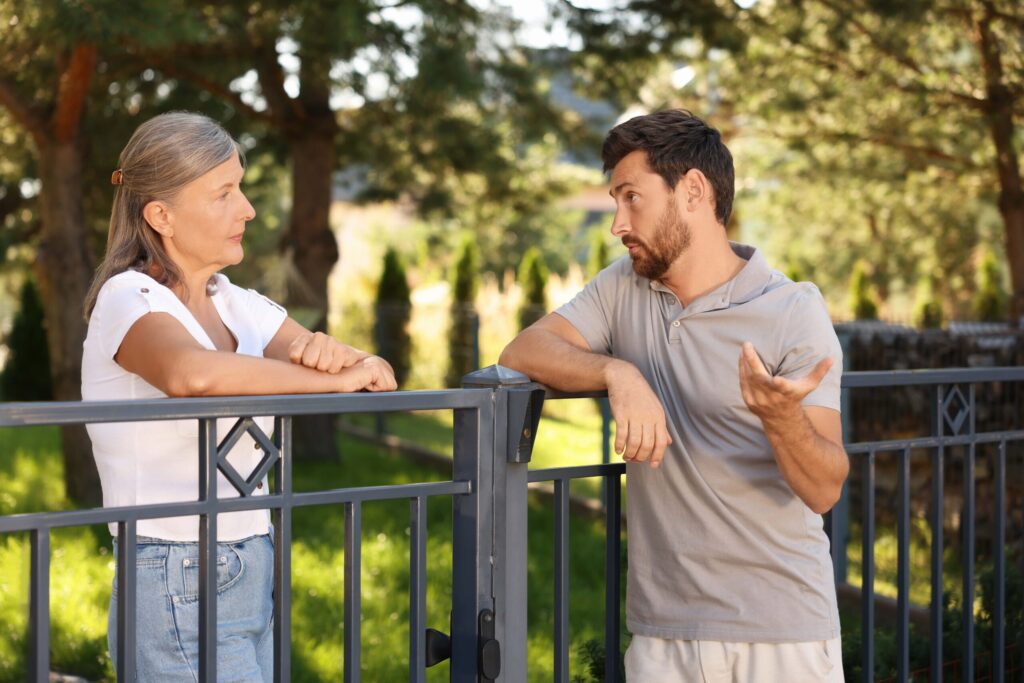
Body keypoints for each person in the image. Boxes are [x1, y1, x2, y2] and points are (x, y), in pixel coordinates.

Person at [499, 109, 849, 682]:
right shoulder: (623, 288)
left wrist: (781, 419)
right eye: (616, 200)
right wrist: (619, 373)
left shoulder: (793, 310)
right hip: (664, 636)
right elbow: (523, 350)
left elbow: (824, 488)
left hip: (783, 632)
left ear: (693, 191)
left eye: (631, 197)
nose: (617, 222)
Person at [81, 111, 396, 681]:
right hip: (174, 569)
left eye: (241, 189)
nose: (247, 209)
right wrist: (332, 377)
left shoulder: (236, 301)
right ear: (161, 216)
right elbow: (191, 374)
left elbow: (368, 372)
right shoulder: (129, 298)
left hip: (252, 557)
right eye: (223, 193)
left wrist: (358, 361)